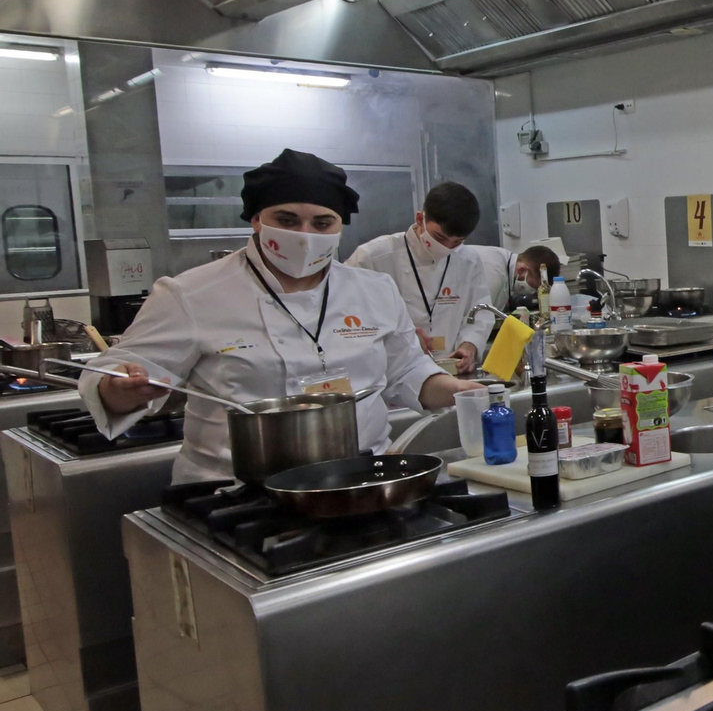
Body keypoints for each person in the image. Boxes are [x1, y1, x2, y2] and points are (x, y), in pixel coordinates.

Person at [82, 149, 484, 483]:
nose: (305, 235)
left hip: (360, 483)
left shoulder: (373, 290)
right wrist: (120, 390)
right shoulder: (190, 294)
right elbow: (111, 374)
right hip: (236, 493)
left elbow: (407, 372)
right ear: (257, 219)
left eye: (322, 223)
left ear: (340, 226)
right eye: (287, 220)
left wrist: (458, 391)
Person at [346, 181, 492, 374]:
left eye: (457, 242)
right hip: (391, 375)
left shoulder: (468, 260)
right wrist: (400, 335)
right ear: (419, 218)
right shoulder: (373, 257)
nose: (447, 247)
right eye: (439, 238)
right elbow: (346, 318)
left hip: (449, 369)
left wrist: (470, 345)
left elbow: (480, 311)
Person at [467, 243, 515, 311]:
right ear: (522, 270)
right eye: (532, 284)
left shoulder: (504, 259)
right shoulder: (495, 270)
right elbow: (482, 311)